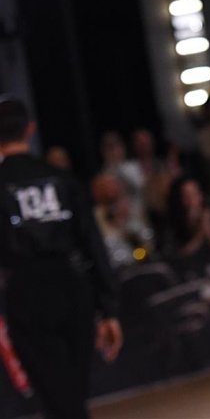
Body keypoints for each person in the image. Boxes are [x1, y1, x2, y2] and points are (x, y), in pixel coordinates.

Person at [0, 97, 123, 418]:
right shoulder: (62, 178)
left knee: (56, 396)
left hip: (25, 294)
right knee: (72, 391)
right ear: (30, 129)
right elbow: (93, 244)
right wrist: (107, 308)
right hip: (72, 288)